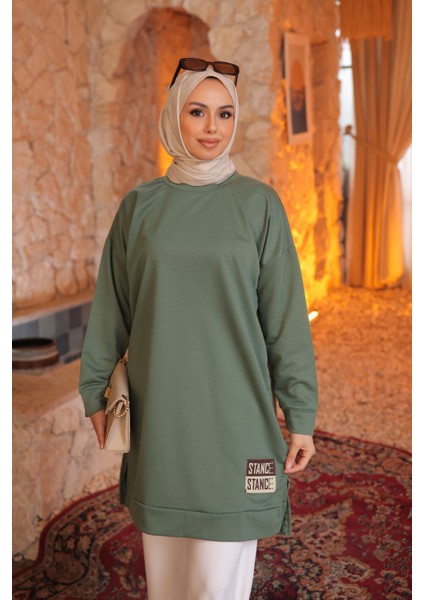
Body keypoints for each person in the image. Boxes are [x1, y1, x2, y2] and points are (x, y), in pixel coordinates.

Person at [79, 57, 318, 600]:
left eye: (225, 113)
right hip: (161, 422)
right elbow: (112, 309)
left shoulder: (259, 204)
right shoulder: (139, 207)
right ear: (173, 116)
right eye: (197, 112)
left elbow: (284, 319)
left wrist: (300, 414)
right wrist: (95, 392)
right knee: (167, 585)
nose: (213, 127)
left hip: (238, 422)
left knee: (216, 588)